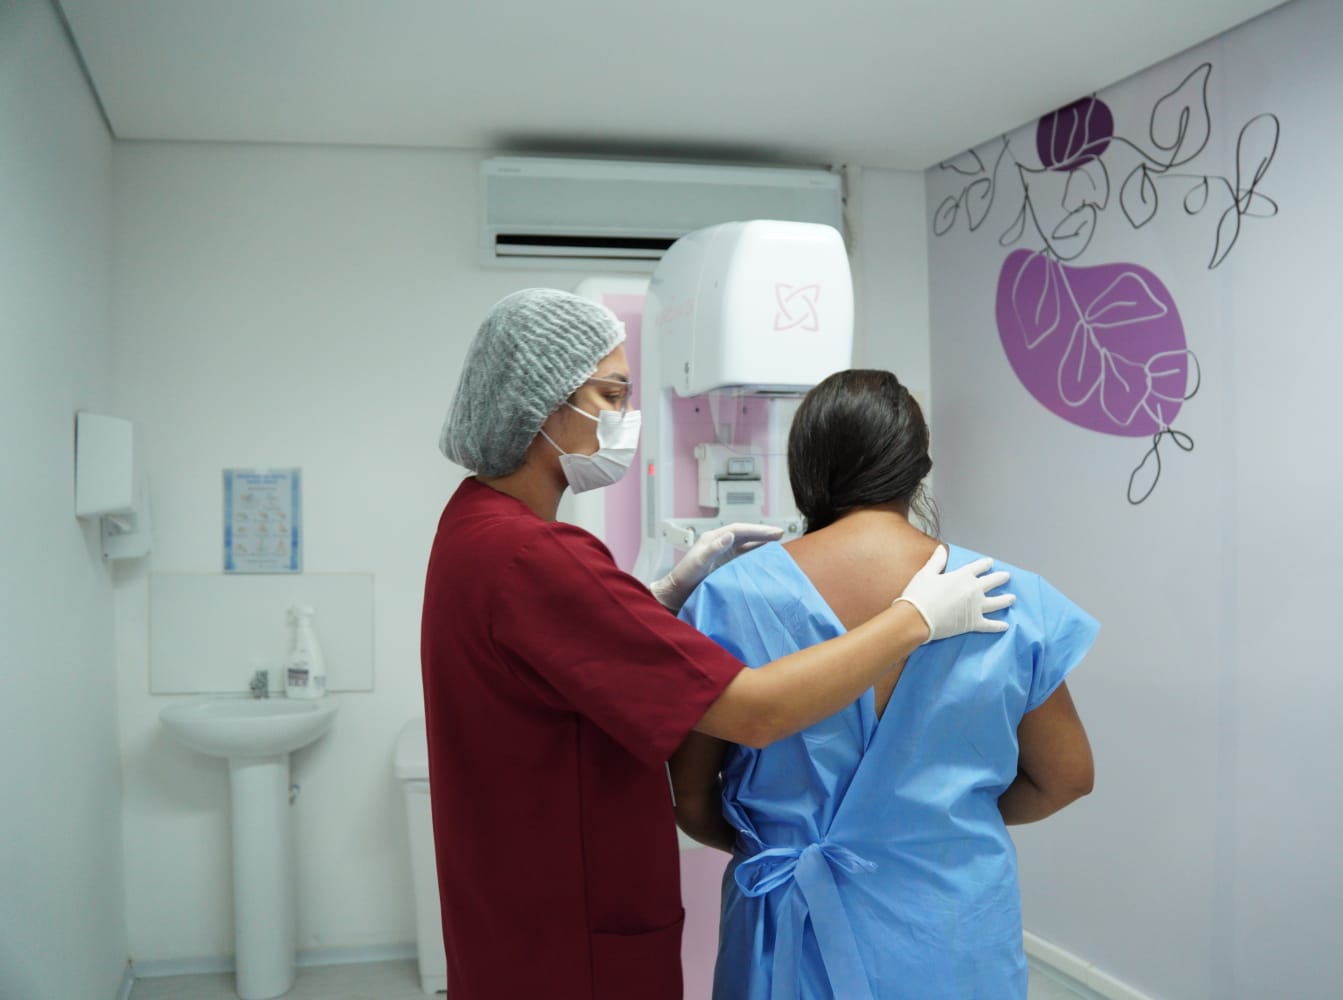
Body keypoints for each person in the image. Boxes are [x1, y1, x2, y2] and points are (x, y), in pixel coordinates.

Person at [421, 290, 1017, 1000]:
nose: (623, 418)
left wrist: (663, 597)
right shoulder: (536, 556)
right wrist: (912, 618)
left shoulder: (473, 526)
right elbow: (754, 713)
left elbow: (578, 663)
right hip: (567, 928)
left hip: (514, 904)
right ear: (544, 405)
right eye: (610, 395)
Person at [669, 369, 1098, 1000]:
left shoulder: (732, 597)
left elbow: (690, 797)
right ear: (917, 466)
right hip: (951, 935)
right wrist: (941, 827)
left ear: (805, 468)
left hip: (785, 934)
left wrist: (780, 838)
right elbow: (1068, 776)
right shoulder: (1006, 598)